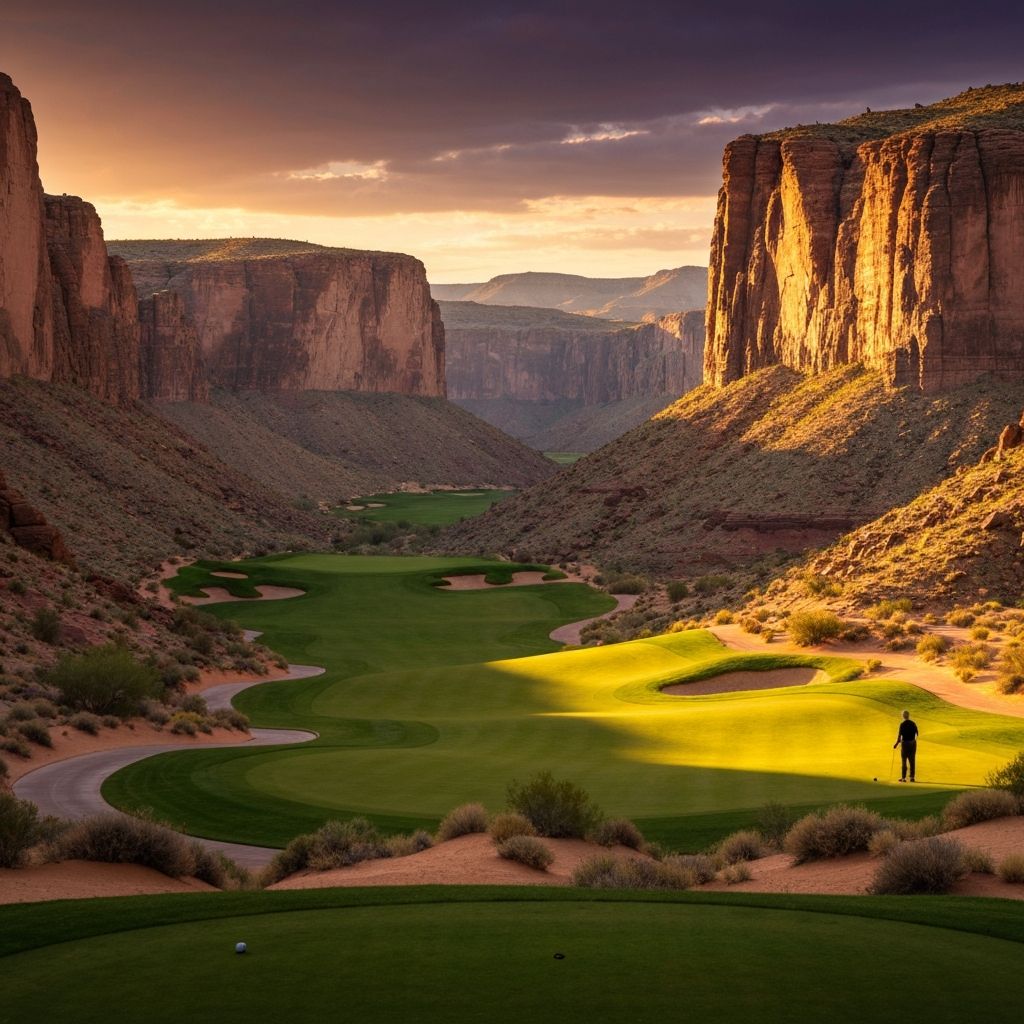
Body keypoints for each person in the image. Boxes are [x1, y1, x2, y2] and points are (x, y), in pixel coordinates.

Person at [893, 710, 919, 782]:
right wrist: (914, 741)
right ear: (908, 715)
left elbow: (899, 736)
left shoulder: (902, 724)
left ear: (903, 716)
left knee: (904, 760)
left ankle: (903, 778)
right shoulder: (913, 723)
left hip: (905, 744)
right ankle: (912, 777)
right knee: (912, 760)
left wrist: (896, 744)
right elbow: (917, 733)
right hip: (913, 744)